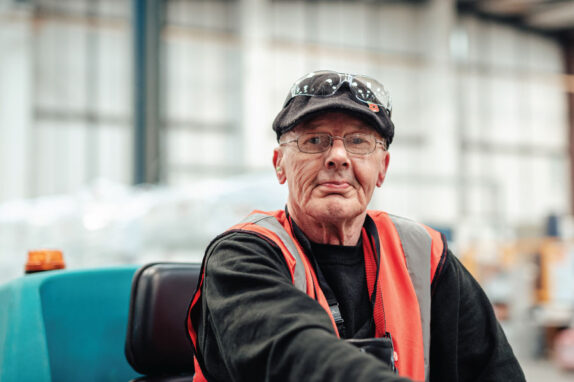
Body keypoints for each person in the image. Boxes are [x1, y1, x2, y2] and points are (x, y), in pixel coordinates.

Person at [187, 70, 525, 381]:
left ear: (383, 169)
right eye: (314, 141)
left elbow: (494, 369)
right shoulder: (242, 256)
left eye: (359, 141)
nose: (338, 157)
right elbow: (294, 354)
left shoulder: (424, 254)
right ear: (280, 166)